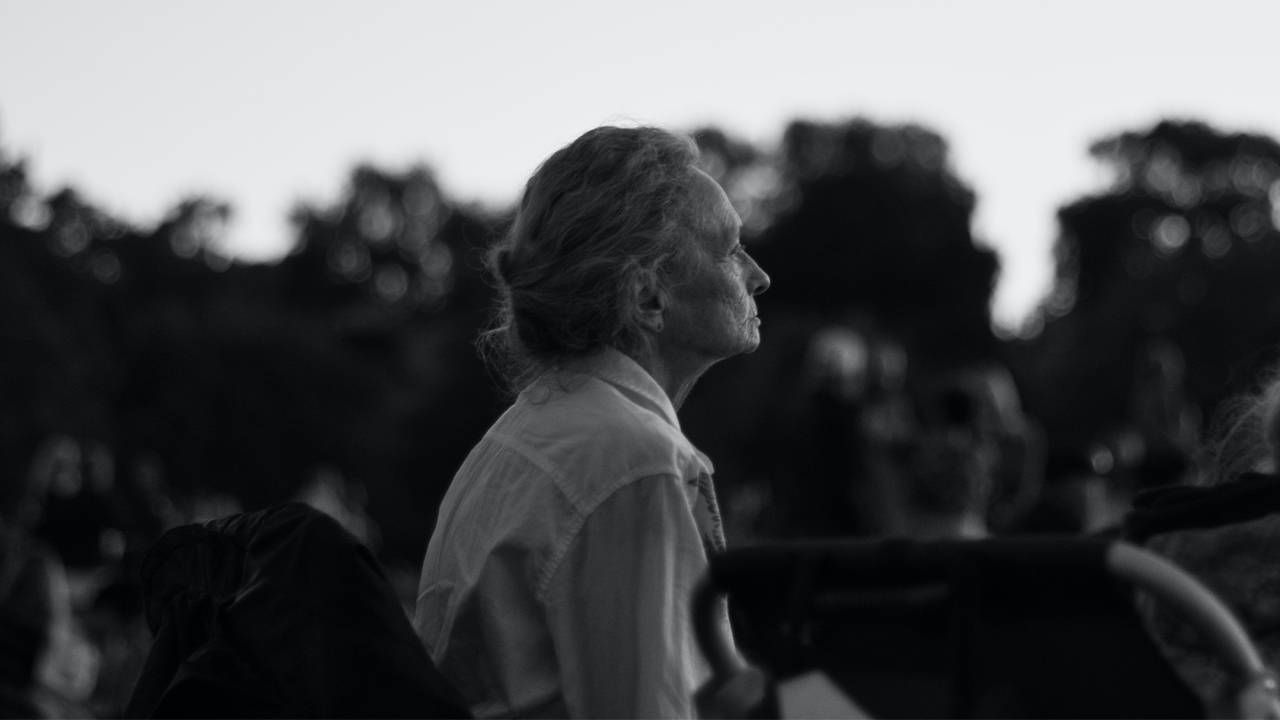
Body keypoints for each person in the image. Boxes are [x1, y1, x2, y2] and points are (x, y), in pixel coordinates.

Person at [414, 125, 770, 718]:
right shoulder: (633, 461)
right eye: (730, 249)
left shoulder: (526, 437)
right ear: (648, 299)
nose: (758, 275)